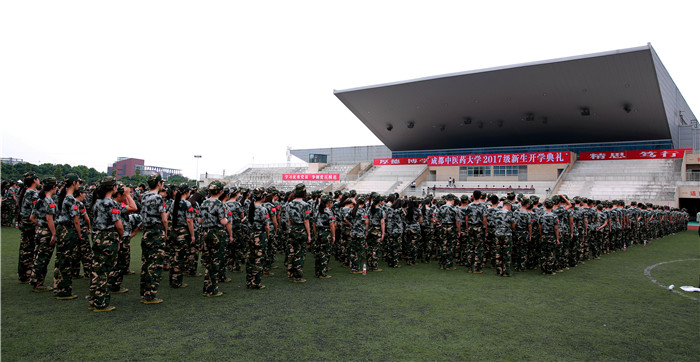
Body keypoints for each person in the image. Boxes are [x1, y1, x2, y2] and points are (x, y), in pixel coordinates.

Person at [88, 176, 123, 312]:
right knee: (106, 270)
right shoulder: (112, 204)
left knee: (96, 269)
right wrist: (120, 238)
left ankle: (93, 299)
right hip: (109, 237)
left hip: (97, 236)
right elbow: (118, 225)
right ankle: (101, 302)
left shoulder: (96, 202)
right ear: (113, 188)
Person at [139, 174, 168, 304]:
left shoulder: (144, 196)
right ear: (158, 184)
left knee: (146, 263)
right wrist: (165, 232)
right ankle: (150, 294)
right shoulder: (158, 198)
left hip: (146, 231)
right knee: (155, 264)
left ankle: (144, 292)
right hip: (156, 232)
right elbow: (164, 219)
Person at [53, 173, 83, 299]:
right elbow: (76, 220)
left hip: (60, 229)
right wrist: (80, 235)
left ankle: (58, 287)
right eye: (78, 182)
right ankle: (64, 291)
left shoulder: (61, 197)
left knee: (60, 259)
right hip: (68, 230)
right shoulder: (71, 199)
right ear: (74, 183)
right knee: (66, 261)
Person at [199, 180, 231, 296]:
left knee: (207, 261)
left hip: (205, 233)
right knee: (215, 261)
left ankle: (206, 288)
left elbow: (199, 220)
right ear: (221, 191)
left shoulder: (203, 203)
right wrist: (228, 219)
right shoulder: (219, 204)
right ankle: (212, 289)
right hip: (216, 233)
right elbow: (223, 221)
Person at [29, 177, 59, 292]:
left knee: (37, 256)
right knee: (43, 258)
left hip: (40, 231)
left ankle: (35, 280)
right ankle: (38, 284)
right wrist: (53, 234)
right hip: (47, 232)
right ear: (53, 187)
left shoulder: (39, 200)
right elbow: (49, 219)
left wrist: (40, 225)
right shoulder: (49, 201)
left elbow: (32, 217)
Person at [16, 172, 41, 284]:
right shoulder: (32, 194)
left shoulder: (25, 192)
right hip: (30, 224)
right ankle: (27, 273)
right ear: (34, 180)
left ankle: (23, 273)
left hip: (25, 222)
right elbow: (35, 211)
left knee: (24, 248)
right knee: (29, 249)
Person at [169, 183, 194, 289]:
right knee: (180, 257)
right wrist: (192, 234)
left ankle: (172, 279)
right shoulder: (187, 204)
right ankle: (177, 282)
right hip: (183, 232)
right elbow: (189, 220)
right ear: (187, 192)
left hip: (173, 231)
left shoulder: (173, 203)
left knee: (173, 256)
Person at [285, 184, 312, 283]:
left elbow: (288, 219)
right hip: (301, 229)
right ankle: (298, 276)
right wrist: (309, 234)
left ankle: (291, 274)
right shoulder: (305, 205)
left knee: (291, 252)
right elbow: (306, 221)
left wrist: (289, 229)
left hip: (292, 228)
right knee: (300, 253)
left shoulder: (289, 204)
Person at [246, 188, 268, 289]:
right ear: (262, 197)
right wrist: (268, 235)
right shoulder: (262, 209)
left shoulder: (250, 206)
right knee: (259, 258)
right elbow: (266, 225)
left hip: (251, 234)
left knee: (251, 258)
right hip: (259, 235)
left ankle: (249, 281)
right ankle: (256, 282)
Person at [314, 195, 336, 278]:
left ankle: (317, 271)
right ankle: (323, 273)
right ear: (328, 203)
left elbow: (314, 223)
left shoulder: (317, 211)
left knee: (318, 252)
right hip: (326, 233)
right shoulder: (328, 212)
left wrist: (316, 233)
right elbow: (332, 225)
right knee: (325, 253)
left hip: (319, 231)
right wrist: (333, 235)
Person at [437, 194, 460, 270]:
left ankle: (441, 264)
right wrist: (459, 231)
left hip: (443, 227)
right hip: (452, 227)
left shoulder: (441, 208)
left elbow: (437, 219)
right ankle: (449, 264)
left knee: (443, 245)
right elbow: (457, 221)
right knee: (451, 246)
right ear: (452, 200)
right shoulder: (455, 209)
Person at [346, 196, 369, 274]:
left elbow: (345, 218)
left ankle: (352, 267)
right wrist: (366, 231)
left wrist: (351, 225)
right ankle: (356, 267)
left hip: (353, 232)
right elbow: (366, 222)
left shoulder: (352, 210)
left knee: (353, 250)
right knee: (359, 251)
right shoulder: (363, 211)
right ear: (363, 204)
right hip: (360, 233)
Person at [493, 201, 515, 277]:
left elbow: (494, 223)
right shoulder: (510, 213)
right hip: (507, 234)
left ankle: (499, 271)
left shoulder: (496, 213)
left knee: (498, 253)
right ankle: (506, 271)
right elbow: (512, 225)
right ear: (509, 206)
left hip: (498, 234)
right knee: (507, 253)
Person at [538, 199, 560, 275]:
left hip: (544, 235)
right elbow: (556, 228)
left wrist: (541, 235)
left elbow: (540, 227)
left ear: (545, 205)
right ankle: (549, 270)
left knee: (543, 253)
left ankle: (543, 269)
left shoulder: (542, 215)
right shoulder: (554, 216)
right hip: (551, 235)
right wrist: (557, 238)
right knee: (551, 253)